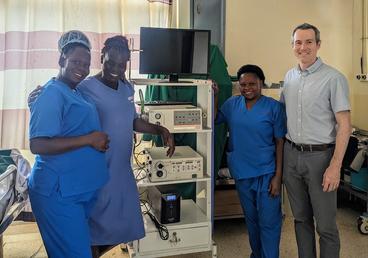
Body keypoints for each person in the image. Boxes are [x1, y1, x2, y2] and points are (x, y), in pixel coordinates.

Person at [29, 35, 175, 257]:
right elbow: (53, 110)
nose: (116, 68)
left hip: (116, 167)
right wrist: (35, 99)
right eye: (110, 62)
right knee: (92, 227)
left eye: (121, 64)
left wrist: (159, 129)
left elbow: (130, 119)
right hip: (93, 169)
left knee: (125, 223)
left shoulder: (125, 88)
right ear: (102, 58)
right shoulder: (84, 87)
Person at [28, 30, 110, 258]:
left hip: (76, 190)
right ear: (61, 59)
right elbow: (38, 144)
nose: (82, 69)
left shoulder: (75, 92)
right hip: (57, 193)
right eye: (76, 62)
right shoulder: (52, 93)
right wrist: (90, 139)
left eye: (86, 64)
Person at [280, 23, 351, 258]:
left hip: (321, 158)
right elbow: (281, 115)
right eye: (298, 42)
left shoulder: (334, 78)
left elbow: (345, 125)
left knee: (326, 226)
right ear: (292, 46)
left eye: (309, 41)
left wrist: (335, 166)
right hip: (292, 156)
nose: (303, 47)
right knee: (300, 220)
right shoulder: (289, 77)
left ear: (318, 45)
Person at [215, 64, 286, 258]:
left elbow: (280, 142)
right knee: (252, 220)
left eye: (252, 84)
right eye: (243, 84)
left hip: (267, 173)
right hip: (242, 172)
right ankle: (257, 254)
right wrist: (214, 95)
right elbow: (214, 119)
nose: (247, 88)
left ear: (261, 83)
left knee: (269, 222)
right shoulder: (232, 104)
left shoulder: (274, 107)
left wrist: (278, 177)